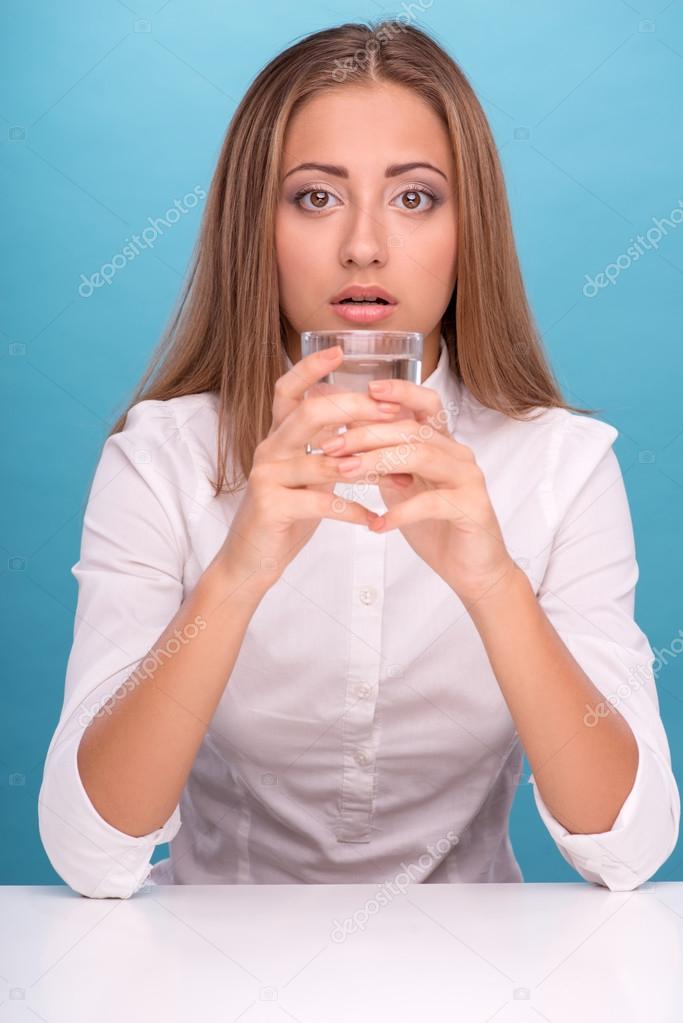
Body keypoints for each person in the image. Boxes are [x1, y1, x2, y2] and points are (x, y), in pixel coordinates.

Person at [38, 20, 679, 899]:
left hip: (484, 972)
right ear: (252, 227)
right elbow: (87, 853)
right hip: (205, 965)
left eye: (414, 198)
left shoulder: (561, 465)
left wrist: (494, 584)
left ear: (469, 227)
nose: (365, 246)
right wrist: (237, 574)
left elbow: (629, 849)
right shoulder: (160, 458)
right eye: (314, 197)